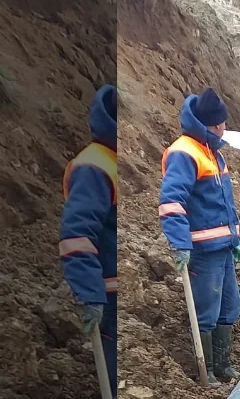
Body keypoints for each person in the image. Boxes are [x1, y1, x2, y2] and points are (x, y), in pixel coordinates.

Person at [159, 87, 240, 384]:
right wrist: (180, 244)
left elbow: (224, 202)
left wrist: (234, 239)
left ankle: (223, 365)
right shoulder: (184, 152)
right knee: (206, 310)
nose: (223, 128)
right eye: (219, 124)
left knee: (230, 306)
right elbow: (172, 202)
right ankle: (205, 370)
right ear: (207, 124)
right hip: (203, 250)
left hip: (222, 246)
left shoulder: (214, 152)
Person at [60, 84, 118, 397]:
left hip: (118, 291)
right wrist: (90, 293)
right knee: (114, 374)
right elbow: (77, 236)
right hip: (108, 295)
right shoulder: (94, 165)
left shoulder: (112, 159)